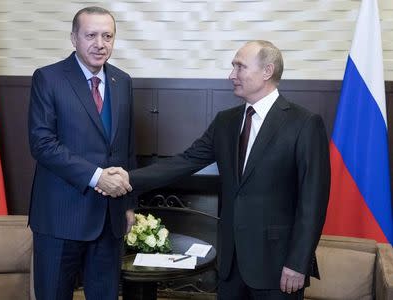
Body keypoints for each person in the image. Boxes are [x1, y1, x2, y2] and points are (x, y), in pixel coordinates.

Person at [99, 40, 330, 299]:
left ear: (267, 71)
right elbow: (184, 162)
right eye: (233, 67)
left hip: (277, 265)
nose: (232, 75)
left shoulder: (304, 124)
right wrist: (128, 176)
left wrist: (298, 263)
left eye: (240, 67)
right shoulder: (226, 121)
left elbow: (313, 203)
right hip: (230, 265)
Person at [28, 6, 135, 300]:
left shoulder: (122, 81)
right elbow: (42, 144)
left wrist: (128, 205)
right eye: (91, 35)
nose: (99, 44)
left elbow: (126, 149)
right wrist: (97, 177)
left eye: (107, 36)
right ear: (74, 37)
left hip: (108, 220)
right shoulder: (48, 78)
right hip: (60, 217)